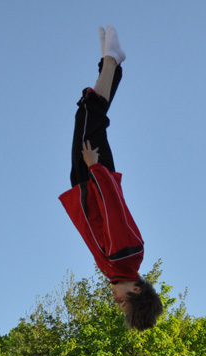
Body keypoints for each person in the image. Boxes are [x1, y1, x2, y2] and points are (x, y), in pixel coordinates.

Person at [58, 25, 163, 331]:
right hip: (95, 179)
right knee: (88, 114)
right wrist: (95, 168)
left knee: (89, 116)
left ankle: (111, 62)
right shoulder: (126, 257)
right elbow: (114, 207)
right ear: (137, 290)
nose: (115, 301)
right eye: (123, 303)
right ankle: (111, 60)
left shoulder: (114, 269)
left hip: (86, 186)